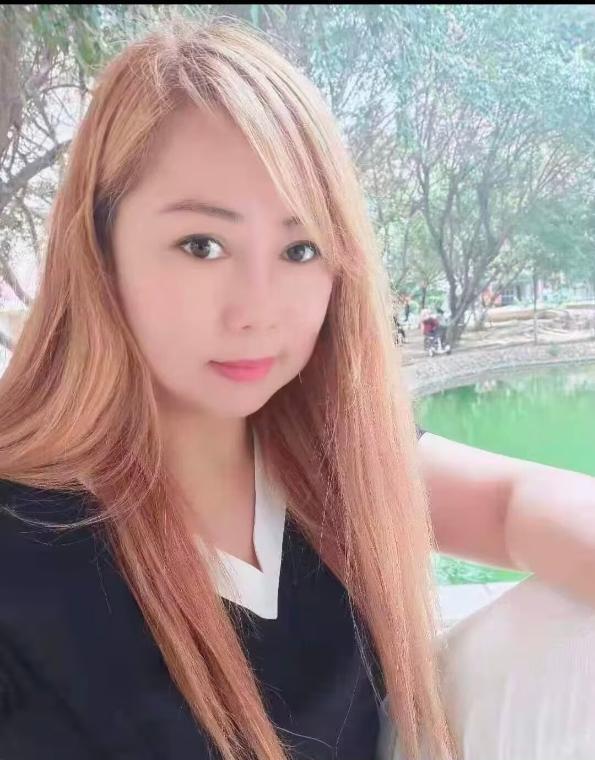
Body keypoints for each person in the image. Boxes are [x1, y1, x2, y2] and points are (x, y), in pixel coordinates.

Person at [0, 17, 594, 760]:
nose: (257, 311)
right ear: (100, 247)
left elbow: (511, 505)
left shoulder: (327, 456)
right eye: (202, 246)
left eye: (300, 248)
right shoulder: (24, 538)